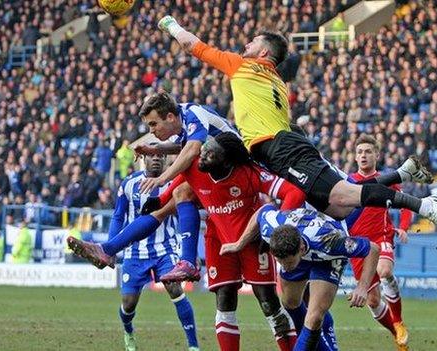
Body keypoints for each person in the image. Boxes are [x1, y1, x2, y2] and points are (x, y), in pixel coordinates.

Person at [157, 16, 437, 237]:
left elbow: (189, 44)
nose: (246, 44)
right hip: (279, 149)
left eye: (253, 42)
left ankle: (423, 205)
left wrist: (170, 23)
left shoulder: (243, 65)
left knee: (343, 197)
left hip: (281, 147)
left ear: (263, 53)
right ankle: (401, 174)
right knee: (341, 207)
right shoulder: (276, 81)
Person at [70, 132, 302, 351]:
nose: (201, 156)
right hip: (218, 239)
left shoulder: (250, 173)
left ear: (227, 161)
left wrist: (277, 230)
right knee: (224, 301)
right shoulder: (196, 167)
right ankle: (171, 258)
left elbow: (293, 193)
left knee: (269, 303)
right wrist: (160, 198)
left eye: (209, 154)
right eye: (203, 152)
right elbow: (181, 175)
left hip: (252, 240)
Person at [105, 92, 239, 280]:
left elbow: (192, 149)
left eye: (153, 124)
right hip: (217, 171)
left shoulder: (193, 113)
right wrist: (154, 148)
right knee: (167, 204)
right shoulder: (181, 122)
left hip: (236, 168)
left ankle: (188, 261)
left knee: (179, 192)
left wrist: (161, 179)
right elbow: (183, 146)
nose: (151, 131)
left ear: (169, 117)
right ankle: (108, 249)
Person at [221, 205, 379, 351]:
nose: (284, 265)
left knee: (314, 317)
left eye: (287, 262)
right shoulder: (270, 228)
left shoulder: (330, 242)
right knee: (290, 303)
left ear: (301, 249)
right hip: (301, 248)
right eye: (279, 261)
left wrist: (363, 287)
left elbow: (373, 249)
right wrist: (239, 243)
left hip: (326, 258)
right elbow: (264, 210)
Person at [109, 148, 199, 351]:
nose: (156, 158)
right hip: (135, 251)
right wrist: (111, 248)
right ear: (143, 158)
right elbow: (117, 217)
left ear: (167, 159)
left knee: (175, 289)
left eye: (160, 155)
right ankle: (128, 331)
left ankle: (193, 346)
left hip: (165, 249)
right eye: (152, 155)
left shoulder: (174, 182)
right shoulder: (129, 184)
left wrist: (189, 254)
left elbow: (184, 217)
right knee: (129, 303)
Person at [346, 134, 412, 351]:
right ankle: (397, 333)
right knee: (373, 301)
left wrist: (402, 226)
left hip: (381, 237)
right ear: (355, 157)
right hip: (358, 246)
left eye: (368, 151)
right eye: (360, 152)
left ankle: (399, 320)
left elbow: (406, 205)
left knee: (384, 270)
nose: (363, 155)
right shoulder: (348, 182)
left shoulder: (387, 180)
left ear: (376, 154)